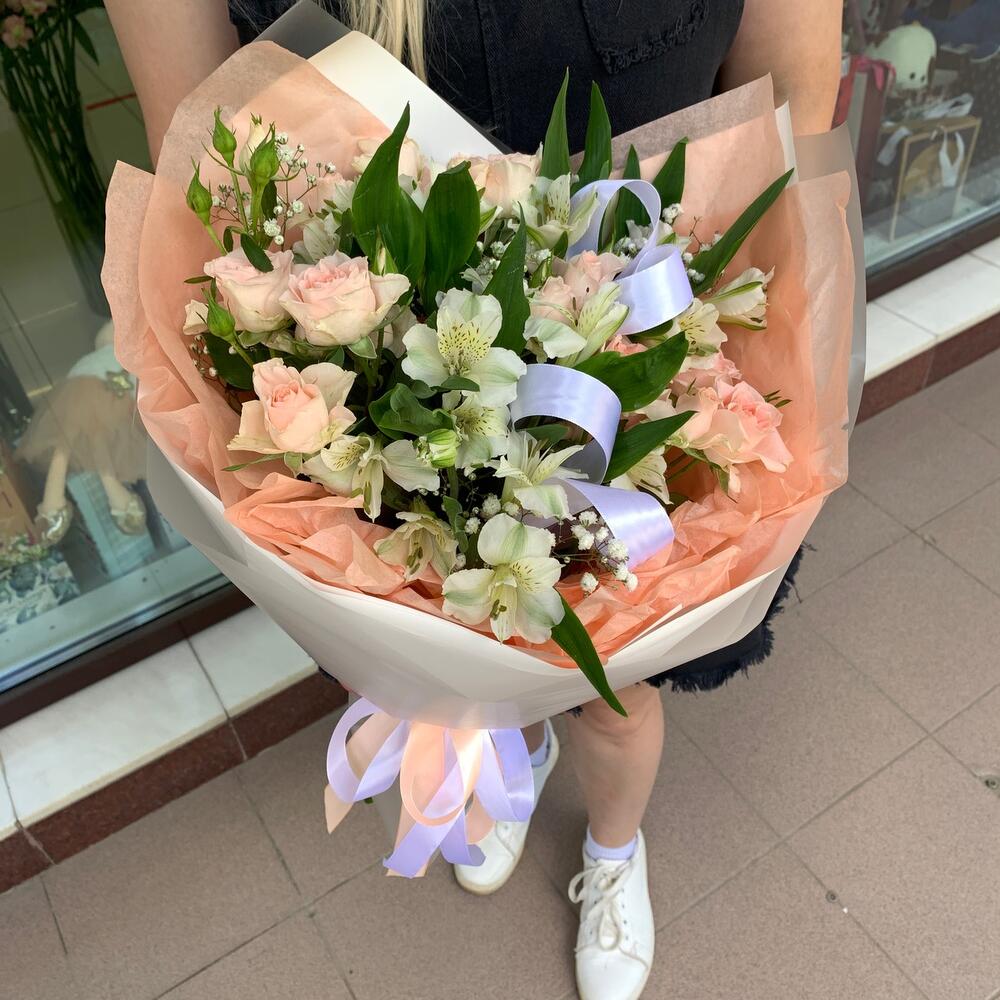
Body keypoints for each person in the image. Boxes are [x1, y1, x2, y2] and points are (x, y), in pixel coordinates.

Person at [106, 2, 839, 996]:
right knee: (469, 642)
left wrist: (741, 364)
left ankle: (614, 850)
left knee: (619, 697)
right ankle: (518, 738)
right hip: (393, 405)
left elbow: (793, 89)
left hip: (630, 367)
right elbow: (200, 158)